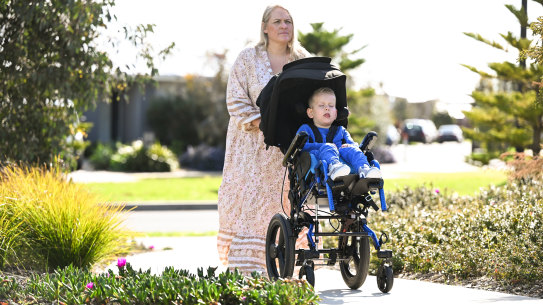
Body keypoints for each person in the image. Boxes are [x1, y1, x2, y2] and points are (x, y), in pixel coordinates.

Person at [217, 4, 310, 275]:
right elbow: (235, 100)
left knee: (283, 199)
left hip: (287, 147)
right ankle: (247, 268)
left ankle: (285, 259)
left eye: (289, 21)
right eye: (278, 21)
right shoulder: (247, 58)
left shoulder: (302, 59)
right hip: (250, 146)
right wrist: (264, 124)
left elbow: (313, 101)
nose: (284, 26)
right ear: (265, 27)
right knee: (246, 199)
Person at [296, 87, 382, 180]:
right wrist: (322, 145)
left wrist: (350, 146)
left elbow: (352, 144)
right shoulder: (306, 129)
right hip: (319, 159)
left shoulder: (341, 130)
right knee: (328, 147)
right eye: (321, 105)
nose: (327, 108)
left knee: (353, 150)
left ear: (336, 113)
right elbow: (300, 147)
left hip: (343, 159)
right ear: (311, 112)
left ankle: (365, 169)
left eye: (331, 106)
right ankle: (334, 167)